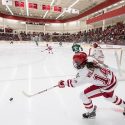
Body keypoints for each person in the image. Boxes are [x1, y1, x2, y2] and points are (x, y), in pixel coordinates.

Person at [58, 52, 125, 118]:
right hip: (112, 79)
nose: (75, 63)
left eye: (77, 62)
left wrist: (64, 83)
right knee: (109, 97)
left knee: (83, 95)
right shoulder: (90, 59)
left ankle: (91, 112)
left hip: (106, 86)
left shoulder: (84, 72)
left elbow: (74, 83)